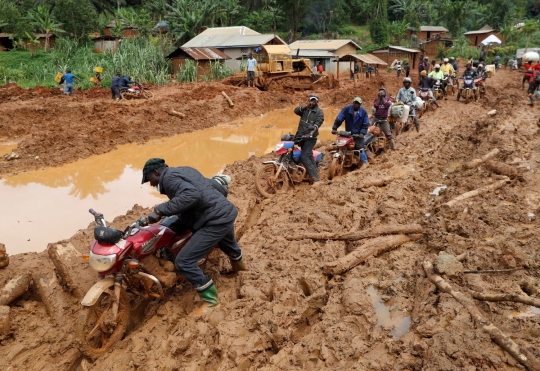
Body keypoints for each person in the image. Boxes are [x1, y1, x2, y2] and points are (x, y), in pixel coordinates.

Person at [142, 158, 247, 315]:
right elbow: (214, 186)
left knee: (184, 261)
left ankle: (211, 302)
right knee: (227, 241)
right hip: (225, 212)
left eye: (149, 179)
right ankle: (240, 268)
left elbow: (191, 195)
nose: (150, 184)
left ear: (156, 172)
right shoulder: (185, 170)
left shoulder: (169, 179)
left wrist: (159, 211)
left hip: (215, 220)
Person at [293, 94, 324, 186]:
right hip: (300, 136)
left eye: (314, 100)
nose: (312, 102)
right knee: (308, 155)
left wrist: (310, 134)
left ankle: (316, 180)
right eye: (311, 100)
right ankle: (315, 171)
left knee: (304, 156)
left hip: (310, 138)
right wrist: (305, 106)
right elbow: (295, 111)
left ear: (317, 101)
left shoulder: (319, 112)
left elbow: (317, 124)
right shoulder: (305, 109)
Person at [332, 97, 370, 167]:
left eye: (358, 103)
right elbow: (339, 119)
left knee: (360, 147)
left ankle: (365, 162)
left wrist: (362, 133)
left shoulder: (364, 112)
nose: (356, 104)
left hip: (358, 134)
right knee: (341, 145)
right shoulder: (346, 109)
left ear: (360, 104)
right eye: (355, 102)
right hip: (348, 133)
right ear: (353, 102)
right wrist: (334, 128)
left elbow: (365, 124)